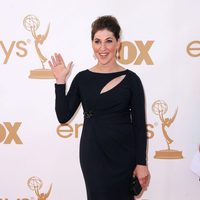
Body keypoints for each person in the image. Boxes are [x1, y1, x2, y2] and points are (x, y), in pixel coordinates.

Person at [48, 15, 150, 200]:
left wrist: (141, 163)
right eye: (97, 41)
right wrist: (60, 81)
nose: (102, 48)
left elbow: (139, 126)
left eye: (108, 41)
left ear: (118, 43)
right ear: (92, 44)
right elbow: (63, 116)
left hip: (124, 155)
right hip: (93, 154)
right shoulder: (82, 79)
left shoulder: (132, 80)